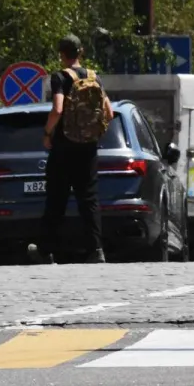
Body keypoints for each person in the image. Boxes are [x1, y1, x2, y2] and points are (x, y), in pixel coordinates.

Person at [38, 35, 113, 264]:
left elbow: (58, 110)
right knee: (88, 198)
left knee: (57, 198)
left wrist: (48, 133)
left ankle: (47, 251)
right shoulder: (94, 77)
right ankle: (96, 250)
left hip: (63, 146)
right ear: (81, 52)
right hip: (88, 148)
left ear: (62, 54)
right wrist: (93, 133)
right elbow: (109, 113)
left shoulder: (60, 77)